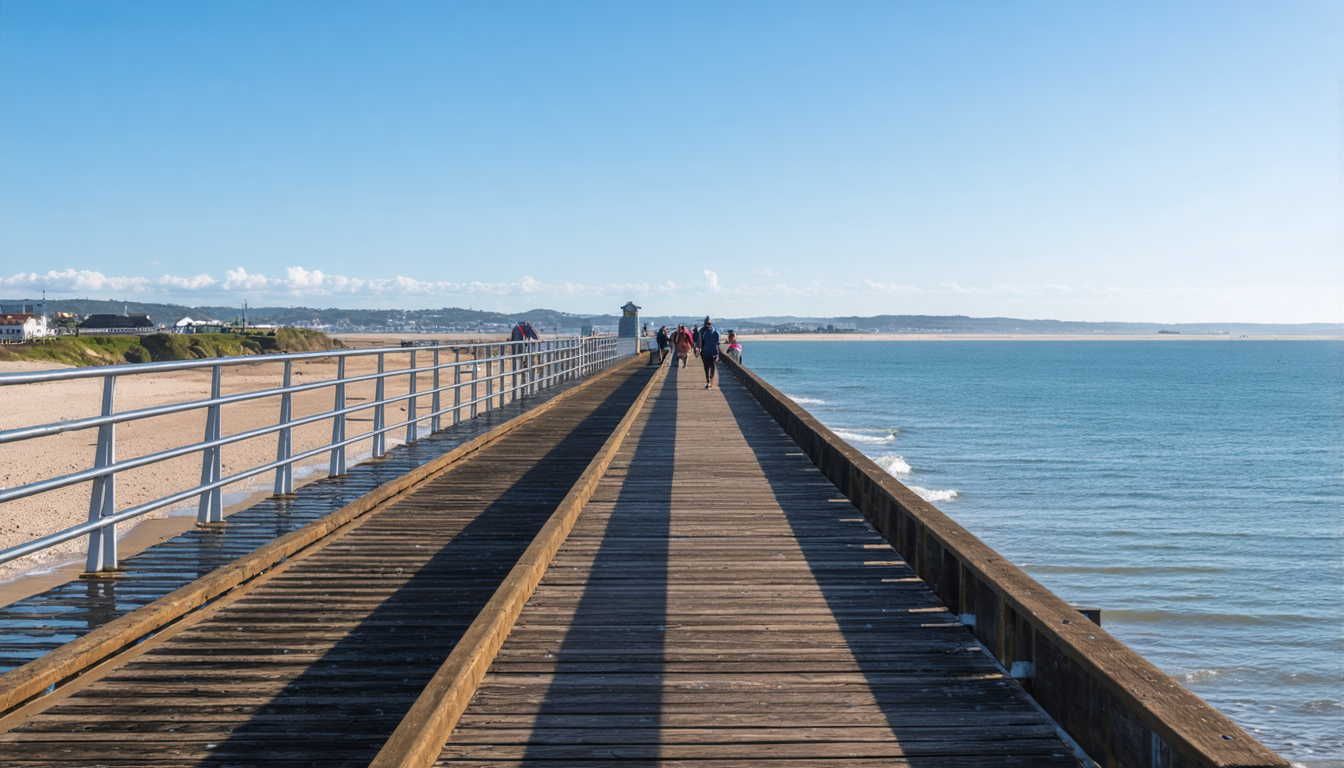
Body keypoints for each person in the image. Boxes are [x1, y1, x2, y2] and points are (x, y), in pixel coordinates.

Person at [699, 318, 720, 388]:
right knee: (713, 366)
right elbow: (717, 343)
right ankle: (711, 380)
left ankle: (708, 381)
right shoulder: (716, 331)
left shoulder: (702, 331)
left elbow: (700, 342)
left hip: (706, 352)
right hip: (714, 352)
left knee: (706, 367)